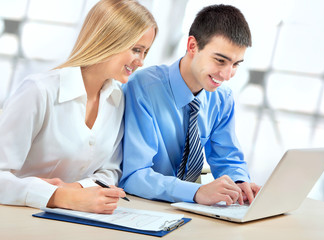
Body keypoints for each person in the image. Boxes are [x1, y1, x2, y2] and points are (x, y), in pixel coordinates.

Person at [0, 0, 157, 214]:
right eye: (136, 50)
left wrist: (76, 189)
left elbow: (109, 171)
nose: (140, 62)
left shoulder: (117, 98)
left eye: (145, 52)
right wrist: (58, 196)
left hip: (77, 216)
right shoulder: (39, 90)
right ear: (108, 40)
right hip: (18, 215)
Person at [120, 4, 261, 206]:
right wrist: (196, 192)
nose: (228, 75)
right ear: (192, 46)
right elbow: (134, 176)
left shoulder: (222, 99)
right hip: (141, 204)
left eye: (236, 64)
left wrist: (239, 182)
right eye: (220, 60)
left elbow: (227, 158)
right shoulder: (143, 87)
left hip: (186, 209)